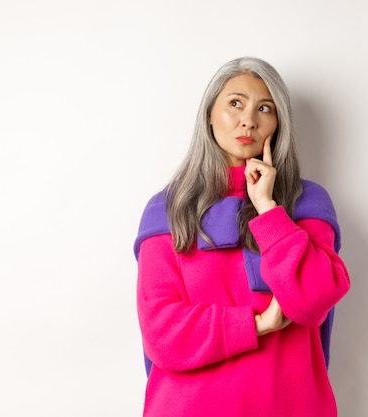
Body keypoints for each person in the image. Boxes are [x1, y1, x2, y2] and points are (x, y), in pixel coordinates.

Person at [134, 57, 350, 417]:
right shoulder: (166, 210)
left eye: (264, 108)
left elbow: (314, 300)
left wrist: (267, 207)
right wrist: (256, 324)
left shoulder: (307, 203)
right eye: (235, 103)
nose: (248, 119)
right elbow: (161, 333)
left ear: (278, 124)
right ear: (209, 114)